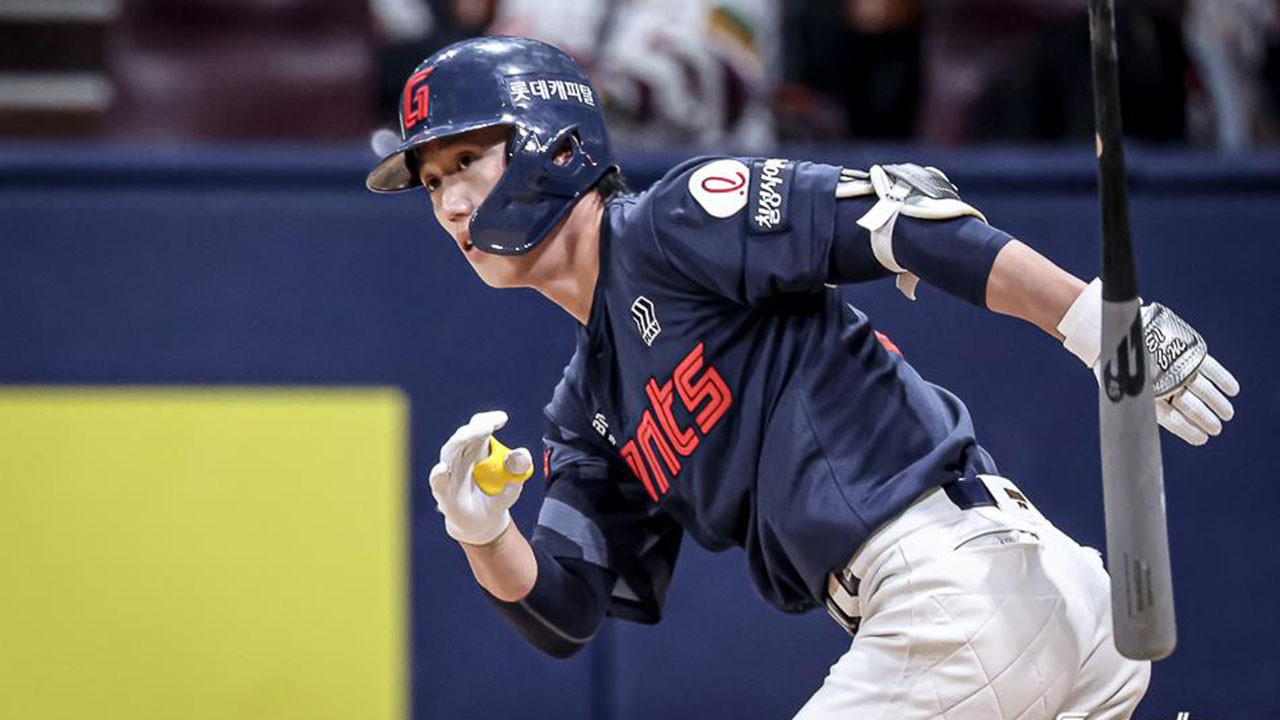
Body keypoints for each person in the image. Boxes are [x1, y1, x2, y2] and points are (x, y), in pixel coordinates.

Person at [367, 37, 1239, 719]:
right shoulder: (588, 405)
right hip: (999, 611)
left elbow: (908, 217)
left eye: (467, 162)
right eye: (432, 182)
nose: (446, 204)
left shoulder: (672, 223)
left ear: (547, 143)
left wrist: (1098, 324)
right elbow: (566, 606)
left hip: (956, 591)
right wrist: (480, 530)